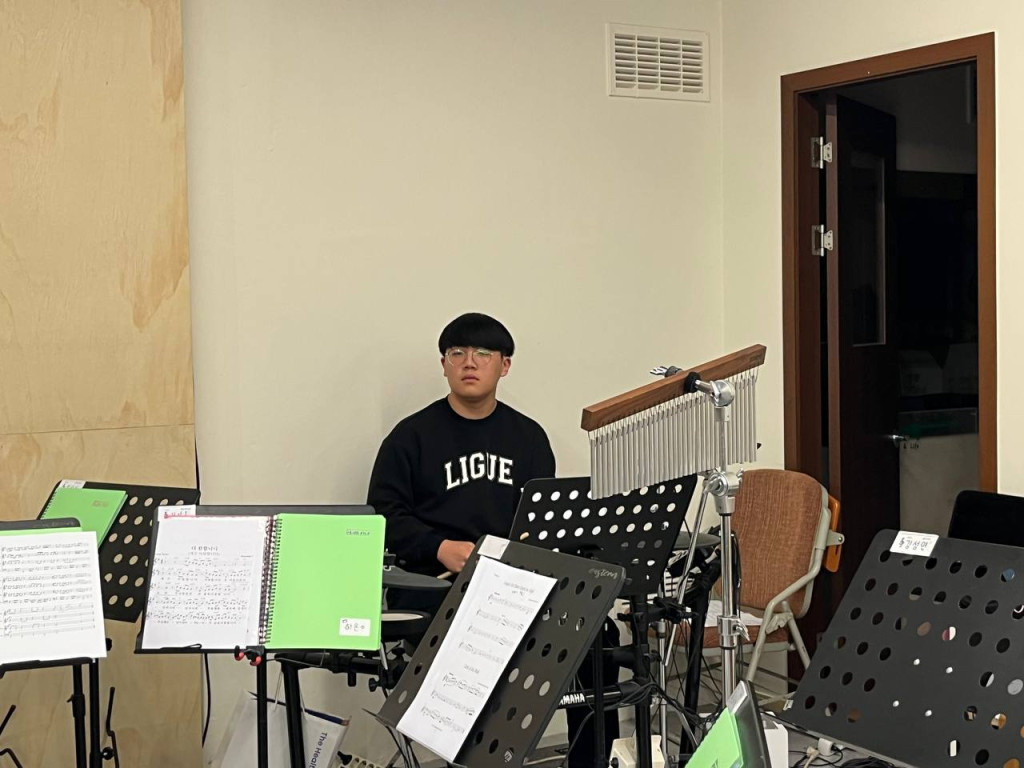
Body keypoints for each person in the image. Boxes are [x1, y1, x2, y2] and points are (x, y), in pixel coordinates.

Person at [367, 312, 618, 767]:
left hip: (513, 586)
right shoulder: (410, 437)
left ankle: (592, 762)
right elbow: (383, 515)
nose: (469, 362)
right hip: (435, 588)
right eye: (457, 353)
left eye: (483, 353)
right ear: (443, 364)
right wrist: (439, 547)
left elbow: (542, 524)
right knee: (482, 645)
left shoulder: (528, 438)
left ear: (505, 366)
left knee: (598, 631)